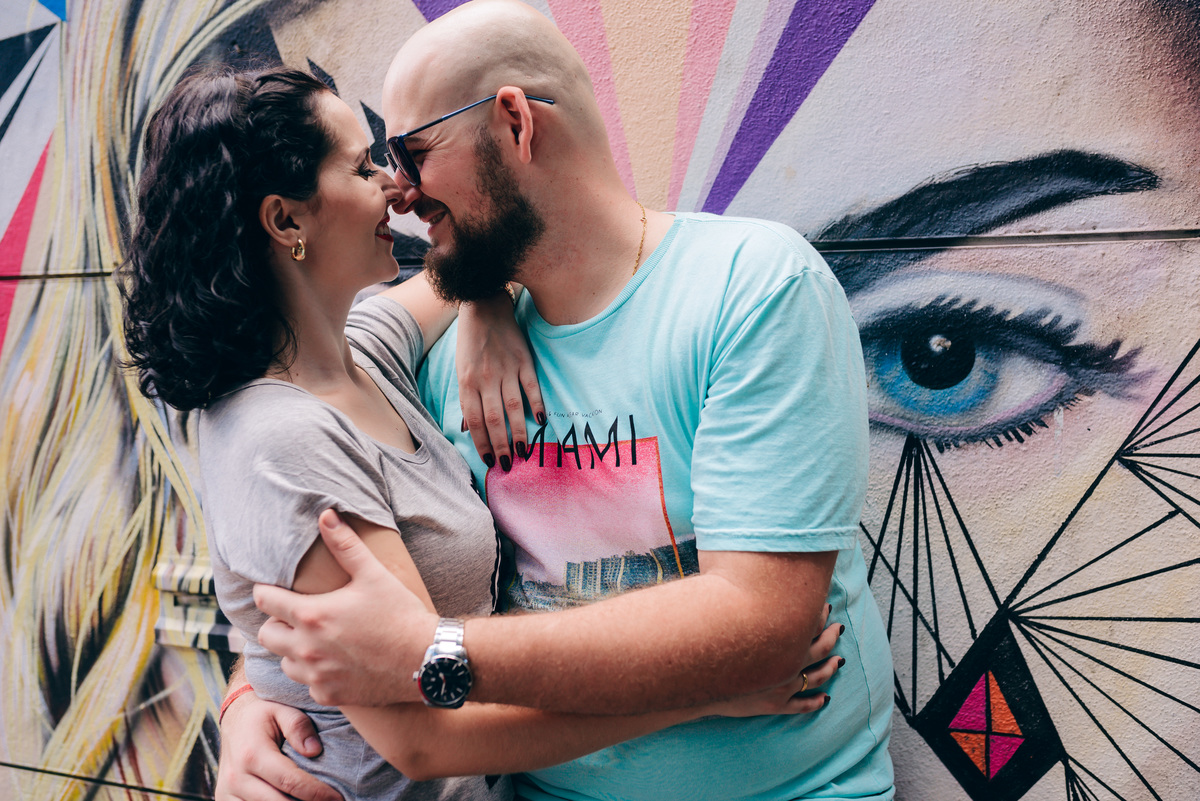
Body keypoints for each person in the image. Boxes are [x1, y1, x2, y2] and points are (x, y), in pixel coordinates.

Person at [219, 1, 895, 800]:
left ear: (515, 123)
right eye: (379, 163)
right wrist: (255, 688)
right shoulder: (432, 357)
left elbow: (763, 624)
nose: (399, 192)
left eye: (412, 152)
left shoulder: (751, 289)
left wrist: (430, 651)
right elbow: (318, 540)